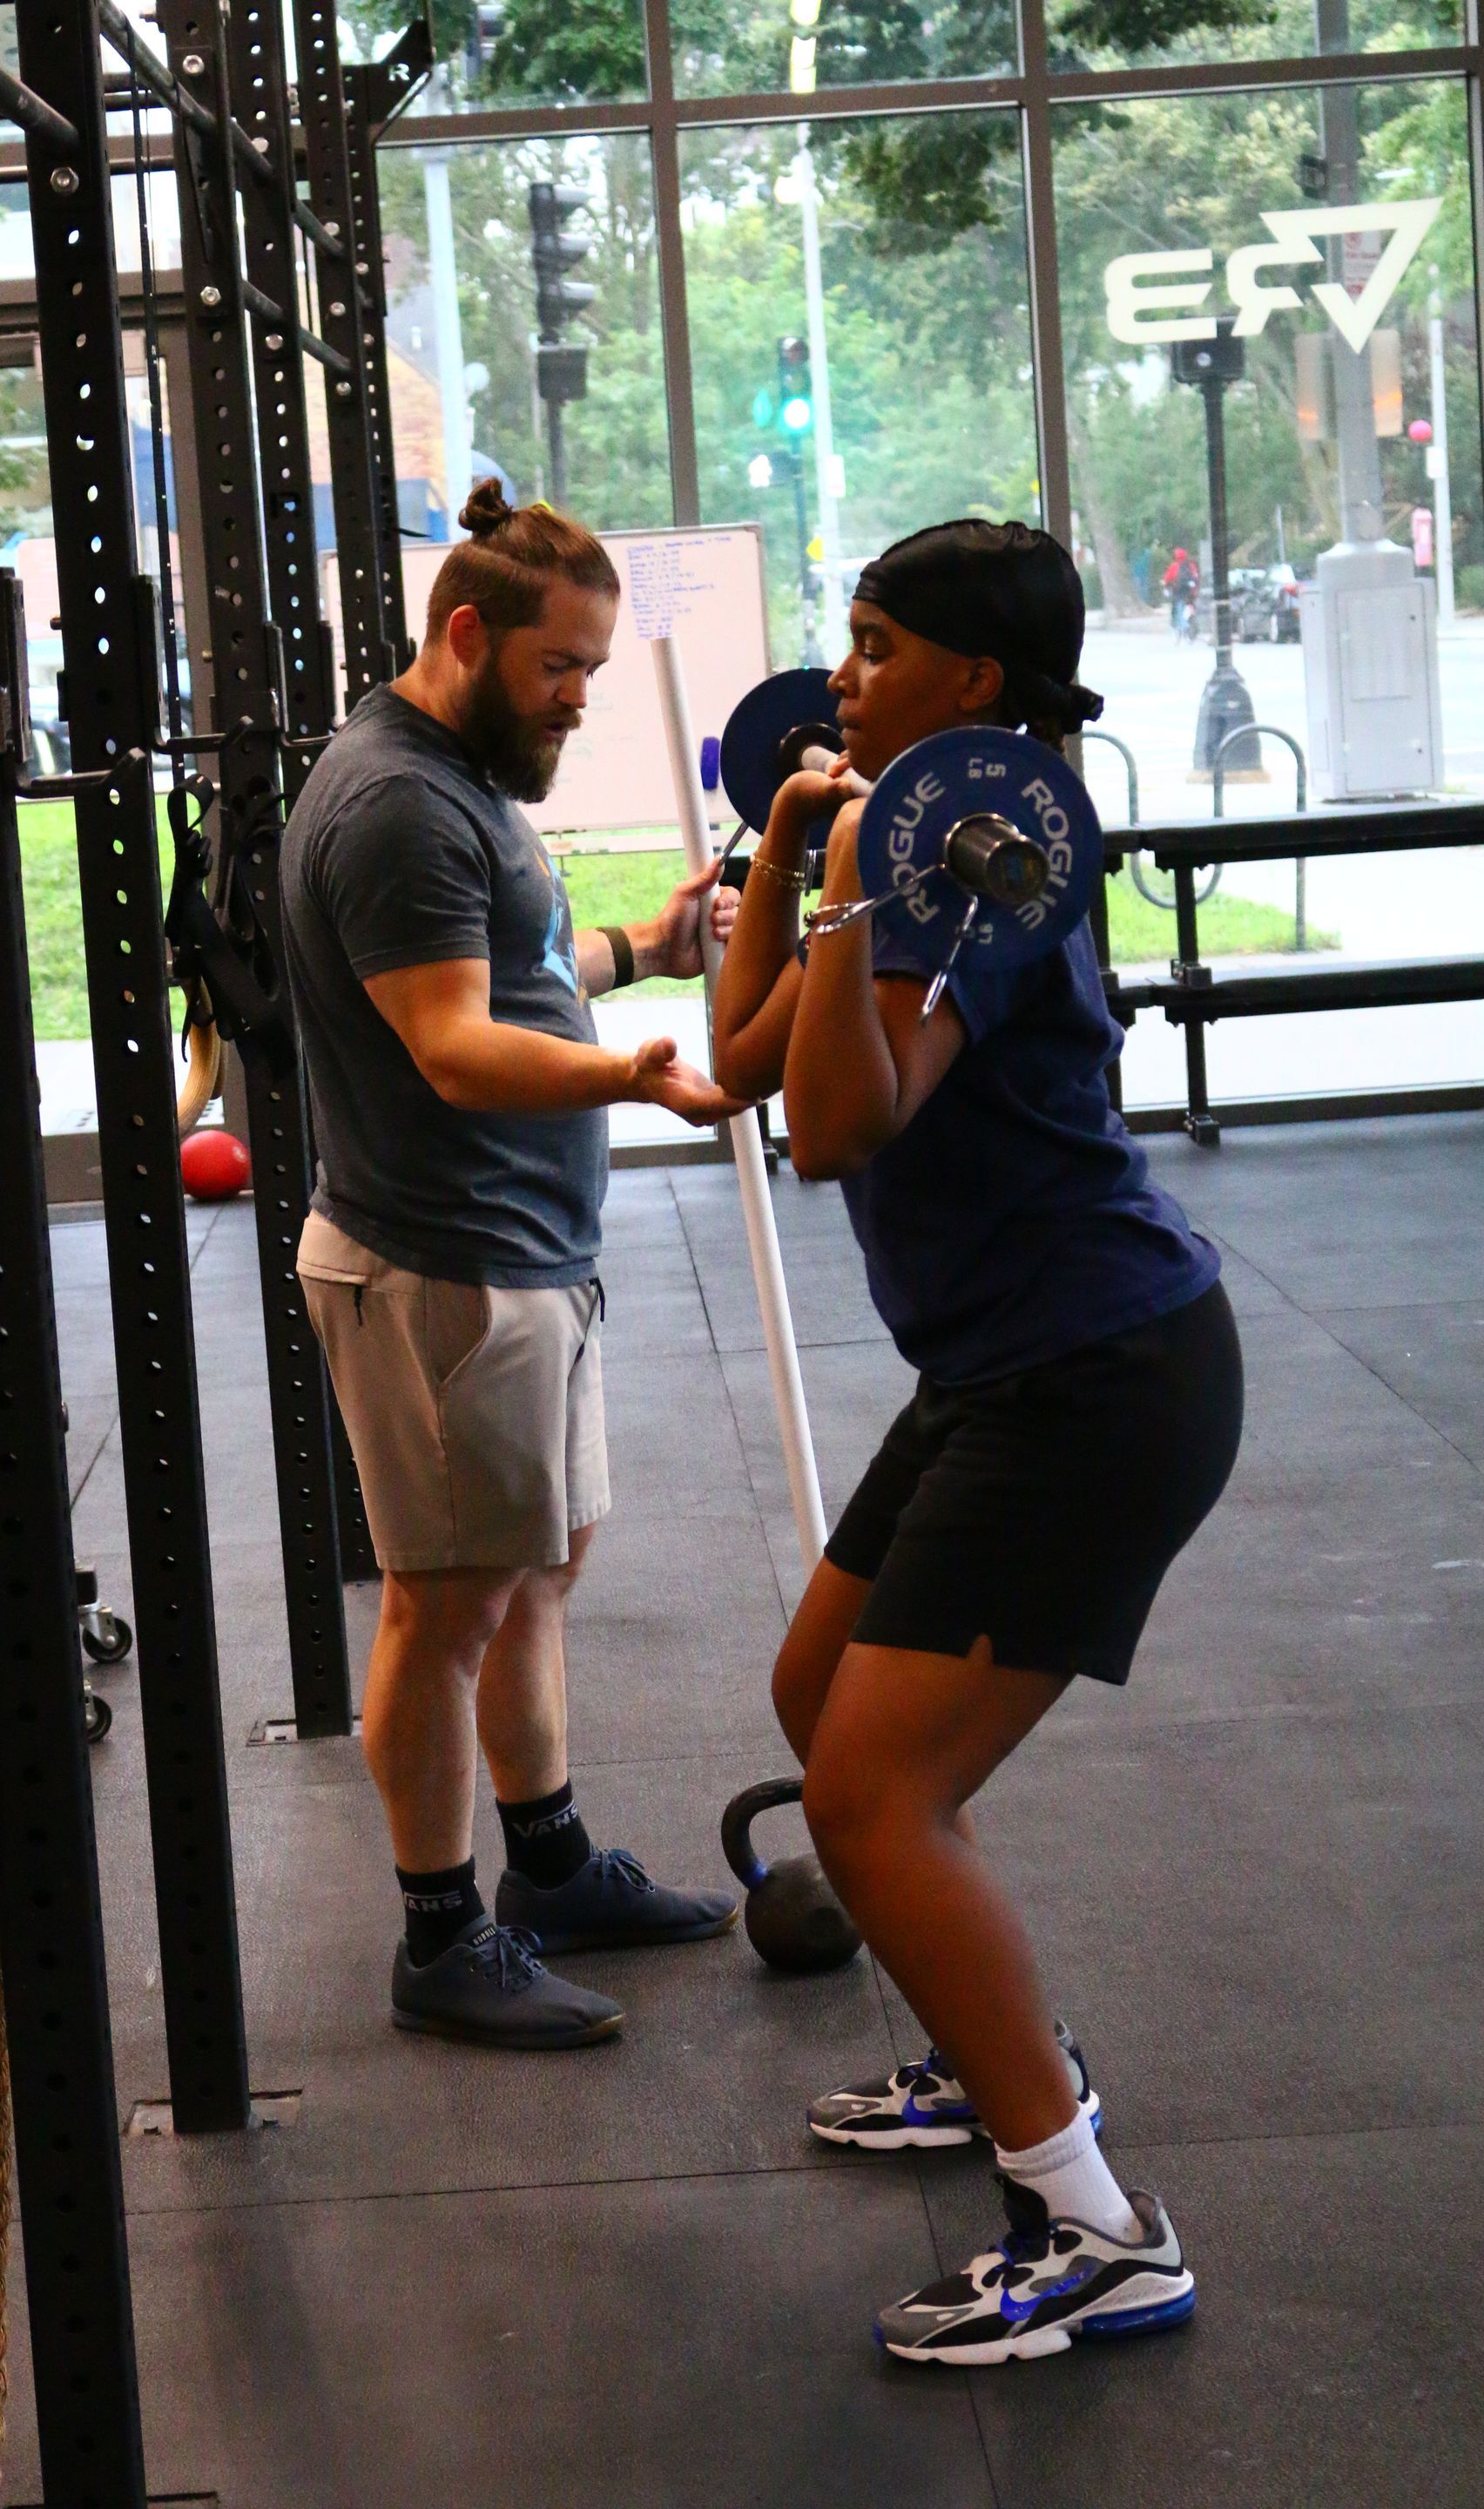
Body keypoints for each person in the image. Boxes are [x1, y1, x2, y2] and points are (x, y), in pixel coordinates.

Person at [711, 517, 1242, 2365]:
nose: (842, 675)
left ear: (974, 687)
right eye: (841, 642)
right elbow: (740, 1060)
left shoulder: (988, 877)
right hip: (1006, 1368)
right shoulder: (901, 867)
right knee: (817, 1693)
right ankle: (987, 2055)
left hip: (1100, 1377)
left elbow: (839, 1127)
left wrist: (856, 885)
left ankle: (1094, 2225)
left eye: (874, 645)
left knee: (873, 1798)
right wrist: (789, 857)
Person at [280, 481, 744, 2052]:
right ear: (467, 635)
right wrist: (634, 1078)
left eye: (599, 670)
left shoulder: (460, 783)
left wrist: (645, 947)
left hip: (524, 1250)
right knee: (446, 1602)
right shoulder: (399, 802)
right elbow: (457, 1046)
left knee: (537, 1574)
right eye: (563, 669)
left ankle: (547, 1869)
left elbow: (515, 969)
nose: (581, 698)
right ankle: (440, 1932)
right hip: (440, 1267)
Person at [1162, 544, 1199, 638]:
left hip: (1179, 592)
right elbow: (1196, 577)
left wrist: (1166, 586)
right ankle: (1192, 622)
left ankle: (1182, 626)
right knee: (1191, 605)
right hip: (1190, 591)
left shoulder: (1174, 566)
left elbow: (1167, 579)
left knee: (1179, 607)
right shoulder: (1191, 565)